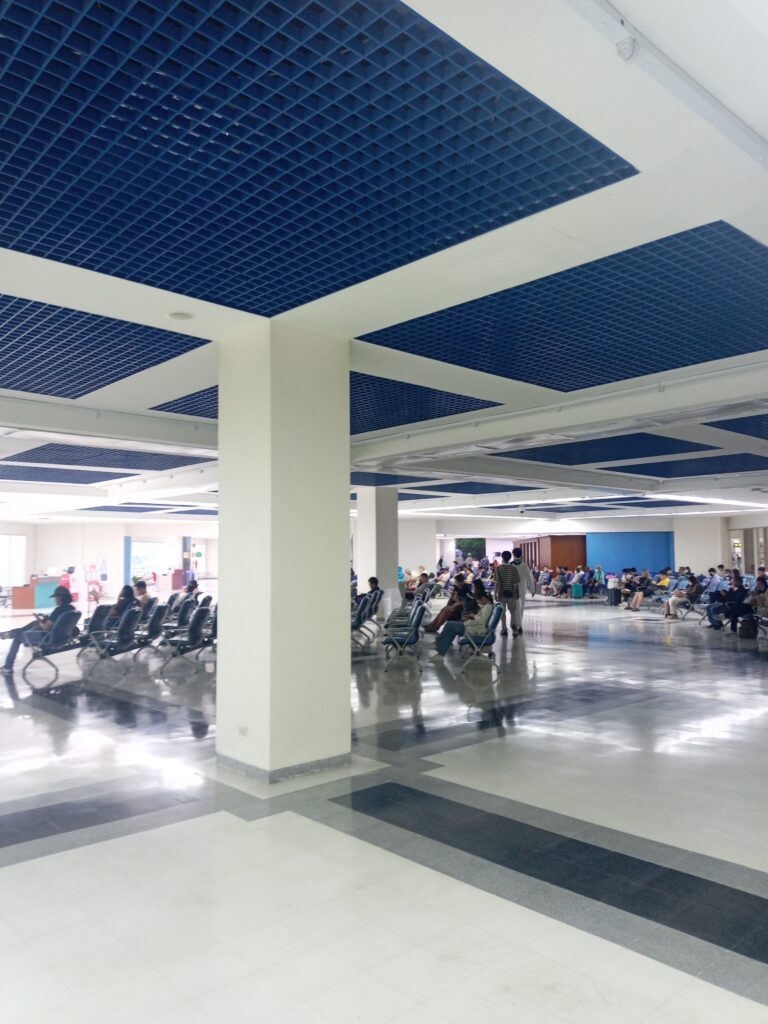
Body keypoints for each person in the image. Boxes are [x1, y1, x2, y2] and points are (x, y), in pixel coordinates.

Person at [1, 586, 75, 673]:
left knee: (18, 637)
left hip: (48, 637)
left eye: (55, 597)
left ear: (60, 597)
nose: (55, 600)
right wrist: (44, 620)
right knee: (33, 624)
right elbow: (59, 623)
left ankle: (8, 666)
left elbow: (46, 627)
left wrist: (40, 621)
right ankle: (12, 633)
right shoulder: (72, 609)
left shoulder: (58, 610)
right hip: (61, 637)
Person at [430, 587, 493, 660]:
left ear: (483, 598)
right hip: (474, 627)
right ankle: (440, 651)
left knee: (450, 625)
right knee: (450, 629)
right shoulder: (487, 606)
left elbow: (481, 621)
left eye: (478, 600)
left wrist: (474, 616)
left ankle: (438, 645)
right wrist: (474, 615)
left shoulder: (488, 607)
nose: (478, 602)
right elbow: (482, 615)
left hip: (475, 629)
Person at [494, 549, 535, 638]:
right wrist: (532, 589)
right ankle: (517, 626)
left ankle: (505, 628)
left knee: (506, 612)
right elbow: (528, 578)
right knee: (517, 610)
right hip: (517, 592)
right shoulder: (522, 566)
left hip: (504, 592)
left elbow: (497, 582)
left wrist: (495, 594)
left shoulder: (504, 567)